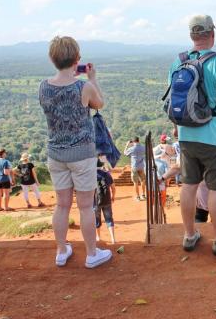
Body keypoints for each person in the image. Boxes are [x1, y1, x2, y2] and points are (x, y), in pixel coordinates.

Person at [169, 14, 216, 256]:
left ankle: (190, 235)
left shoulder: (179, 62)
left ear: (192, 36)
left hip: (186, 135)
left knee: (188, 186)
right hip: (214, 137)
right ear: (212, 34)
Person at [39, 35, 112, 269]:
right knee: (84, 206)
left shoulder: (44, 86)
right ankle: (92, 254)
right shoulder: (84, 86)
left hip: (56, 154)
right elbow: (99, 104)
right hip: (82, 154)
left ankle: (61, 251)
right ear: (77, 59)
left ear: (53, 59)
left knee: (61, 205)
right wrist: (92, 78)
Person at [95, 159, 116, 244]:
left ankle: (98, 237)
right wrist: (113, 196)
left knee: (97, 220)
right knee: (109, 219)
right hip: (107, 199)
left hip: (96, 200)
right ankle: (113, 239)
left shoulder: (91, 175)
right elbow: (113, 187)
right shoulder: (107, 174)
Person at [124, 137, 146, 202]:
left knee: (135, 182)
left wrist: (127, 145)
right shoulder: (143, 147)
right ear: (138, 140)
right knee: (143, 180)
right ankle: (143, 195)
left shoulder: (132, 148)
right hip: (141, 166)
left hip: (134, 166)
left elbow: (125, 153)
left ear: (133, 142)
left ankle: (138, 197)